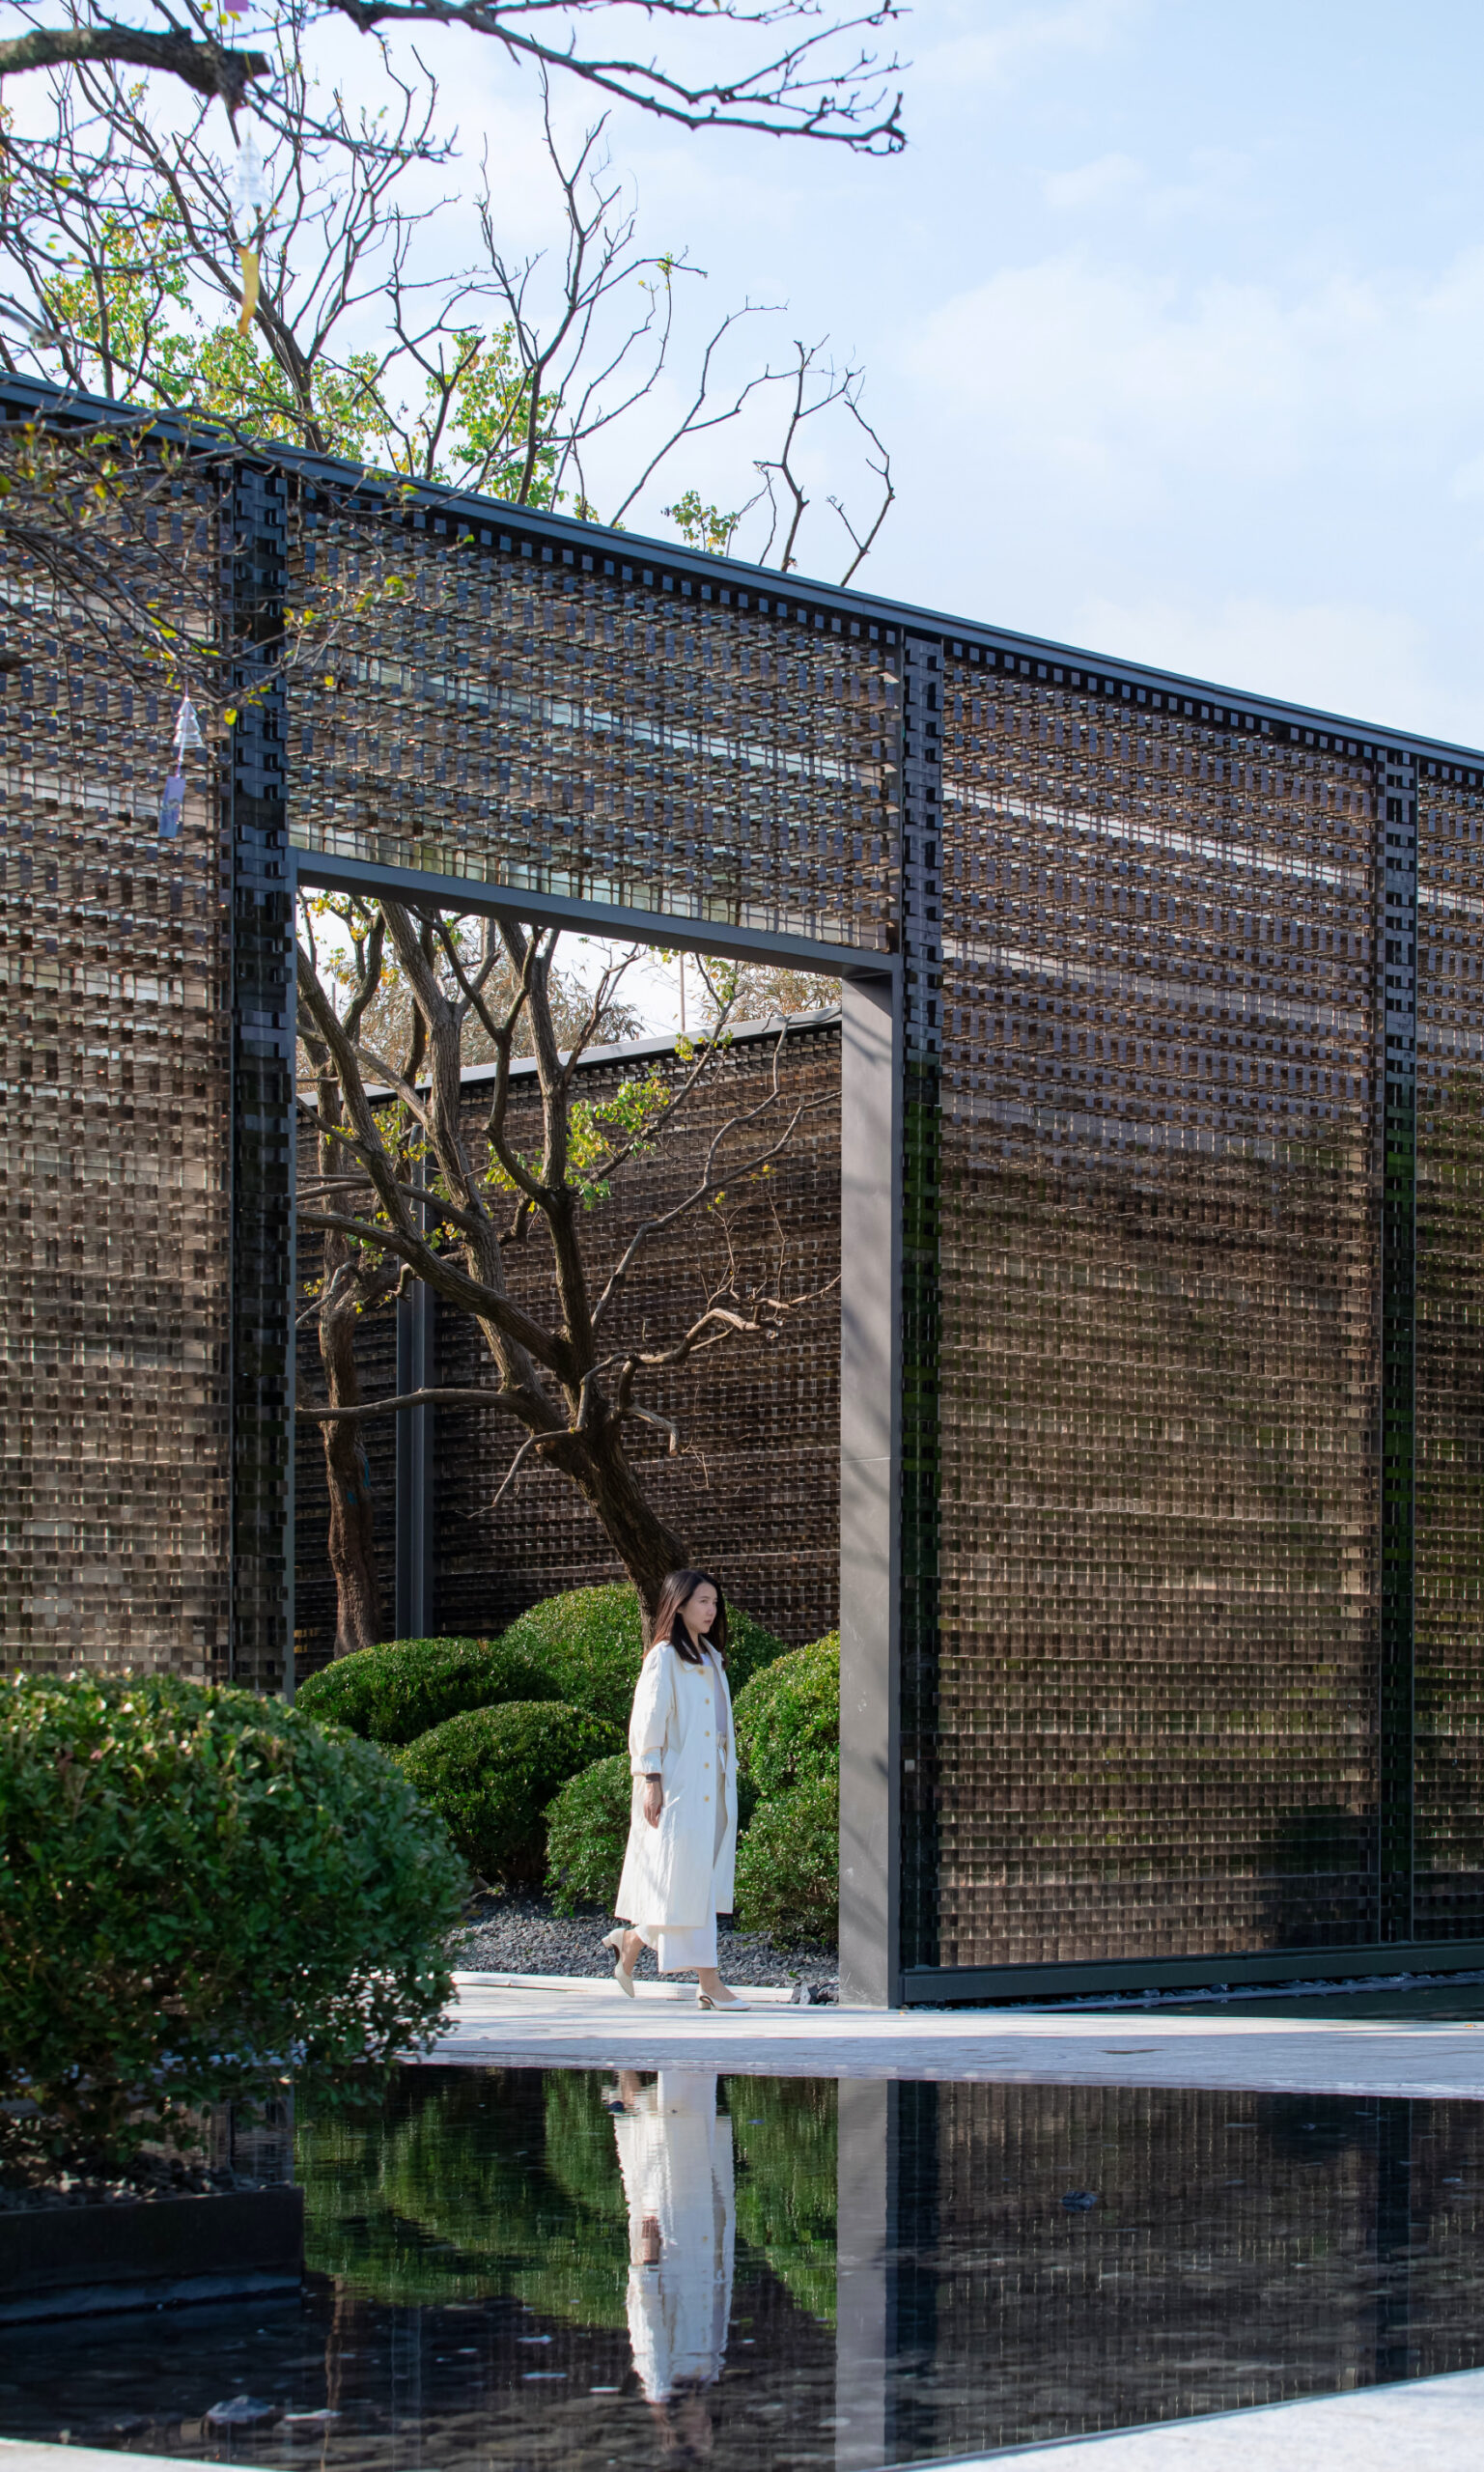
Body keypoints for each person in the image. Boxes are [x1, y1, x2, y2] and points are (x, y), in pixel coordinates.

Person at [602, 1567, 749, 2010]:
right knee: (689, 1880)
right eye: (703, 1601)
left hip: (713, 1779)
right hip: (680, 1783)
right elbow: (647, 1722)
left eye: (715, 1602)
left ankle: (630, 1943)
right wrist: (651, 1780)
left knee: (688, 1882)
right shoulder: (664, 1656)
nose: (711, 1609)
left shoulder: (711, 1656)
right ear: (680, 1604)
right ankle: (710, 1983)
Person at [608, 2068, 734, 2457]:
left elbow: (646, 2321)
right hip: (700, 2246)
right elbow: (717, 2308)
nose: (707, 2426)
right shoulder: (705, 2376)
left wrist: (646, 2262)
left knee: (659, 2152)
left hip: (673, 2252)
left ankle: (628, 2069)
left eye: (701, 2434)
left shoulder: (660, 2379)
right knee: (677, 2143)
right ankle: (659, 2072)